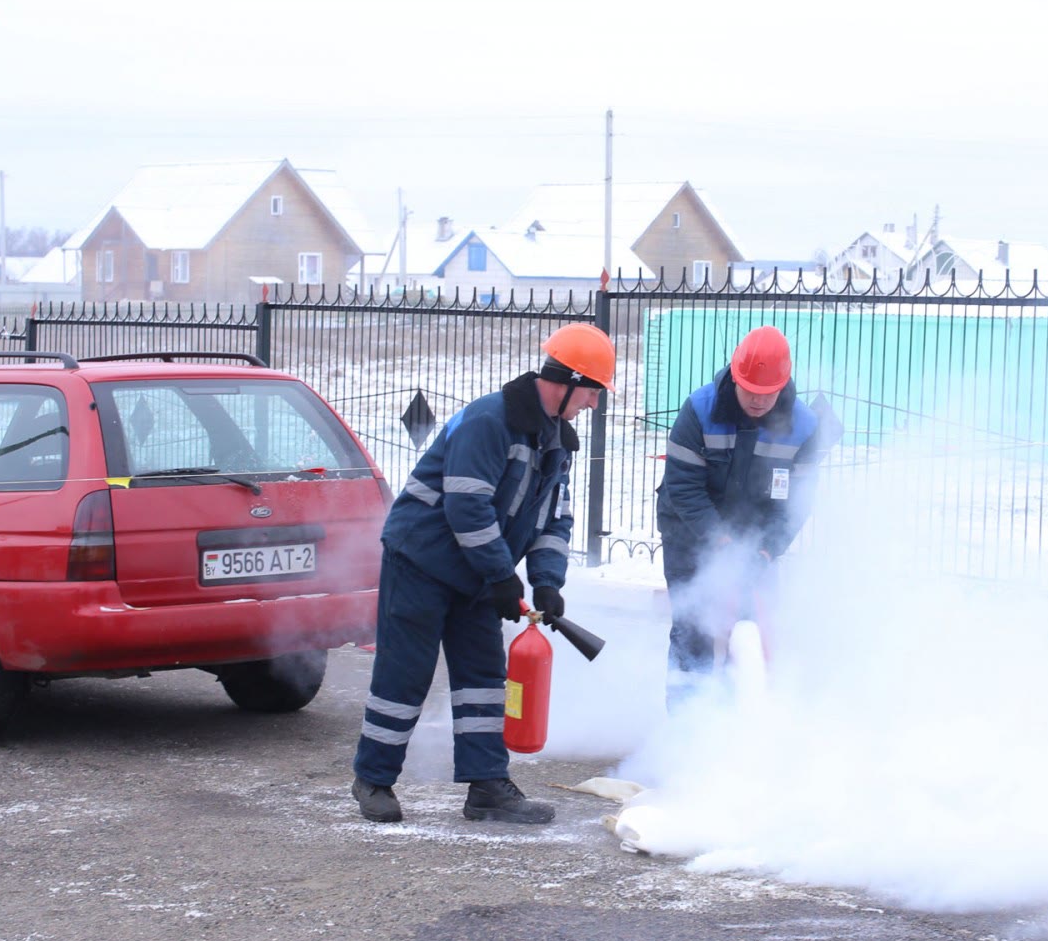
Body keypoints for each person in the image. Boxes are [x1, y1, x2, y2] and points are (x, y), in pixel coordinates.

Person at [350, 321, 614, 825]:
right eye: (594, 391)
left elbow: (553, 519)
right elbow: (467, 508)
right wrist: (500, 575)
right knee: (406, 674)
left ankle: (487, 786)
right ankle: (374, 778)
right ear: (567, 381)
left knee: (484, 678)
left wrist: (547, 582)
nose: (595, 404)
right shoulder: (489, 421)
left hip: (475, 571)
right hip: (421, 562)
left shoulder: (556, 441)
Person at [655, 324, 837, 707]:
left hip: (756, 536)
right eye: (749, 390)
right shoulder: (700, 410)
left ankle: (738, 721)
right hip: (690, 527)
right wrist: (722, 541)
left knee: (756, 623)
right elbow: (683, 487)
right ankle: (685, 728)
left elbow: (794, 506)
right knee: (697, 624)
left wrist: (766, 551)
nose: (756, 400)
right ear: (735, 377)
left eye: (766, 394)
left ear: (782, 386)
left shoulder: (804, 427)